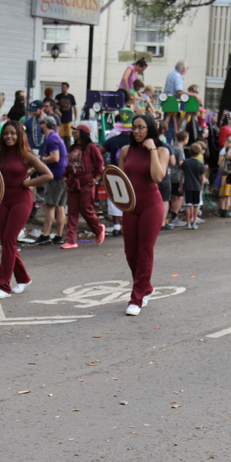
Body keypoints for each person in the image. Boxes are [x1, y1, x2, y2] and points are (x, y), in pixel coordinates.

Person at [0, 121, 53, 298]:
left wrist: (28, 182)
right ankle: (23, 278)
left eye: (13, 133)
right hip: (5, 201)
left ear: (19, 135)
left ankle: (3, 286)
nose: (9, 136)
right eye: (6, 133)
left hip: (22, 201)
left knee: (9, 239)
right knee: (6, 241)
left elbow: (48, 175)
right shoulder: (0, 155)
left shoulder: (26, 155)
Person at [118, 114, 168, 316]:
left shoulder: (162, 151)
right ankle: (146, 288)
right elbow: (119, 180)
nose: (136, 131)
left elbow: (157, 177)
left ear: (150, 129)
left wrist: (153, 150)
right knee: (130, 252)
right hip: (130, 206)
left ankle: (136, 298)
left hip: (151, 206)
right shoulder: (126, 150)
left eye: (141, 127)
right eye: (134, 127)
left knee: (145, 251)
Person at [61, 124, 106, 249]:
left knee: (86, 209)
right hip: (73, 183)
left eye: (76, 131)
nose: (74, 133)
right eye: (73, 131)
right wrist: (65, 176)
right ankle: (70, 240)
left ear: (83, 133)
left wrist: (97, 178)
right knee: (72, 211)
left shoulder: (91, 147)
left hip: (87, 183)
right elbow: (69, 164)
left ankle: (98, 229)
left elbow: (99, 163)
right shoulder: (73, 148)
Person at [34, 117, 68, 245]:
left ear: (44, 124)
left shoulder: (51, 139)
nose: (40, 126)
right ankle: (59, 235)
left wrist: (40, 159)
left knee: (50, 206)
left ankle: (46, 234)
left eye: (41, 124)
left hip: (56, 175)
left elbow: (55, 157)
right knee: (60, 206)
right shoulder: (56, 137)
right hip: (64, 174)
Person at [181, 143, 207, 229]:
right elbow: (202, 177)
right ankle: (194, 222)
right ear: (199, 152)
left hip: (187, 185)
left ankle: (188, 222)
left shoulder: (186, 162)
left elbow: (182, 174)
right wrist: (201, 187)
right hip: (197, 186)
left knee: (188, 205)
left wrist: (180, 185)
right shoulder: (200, 164)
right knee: (196, 205)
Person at [55, 83, 77, 147]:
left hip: (68, 120)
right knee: (60, 136)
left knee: (68, 136)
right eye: (62, 88)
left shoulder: (71, 97)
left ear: (67, 88)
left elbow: (74, 107)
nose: (63, 89)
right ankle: (61, 148)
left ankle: (68, 149)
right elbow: (54, 107)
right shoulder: (58, 97)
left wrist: (75, 118)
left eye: (64, 88)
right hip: (60, 120)